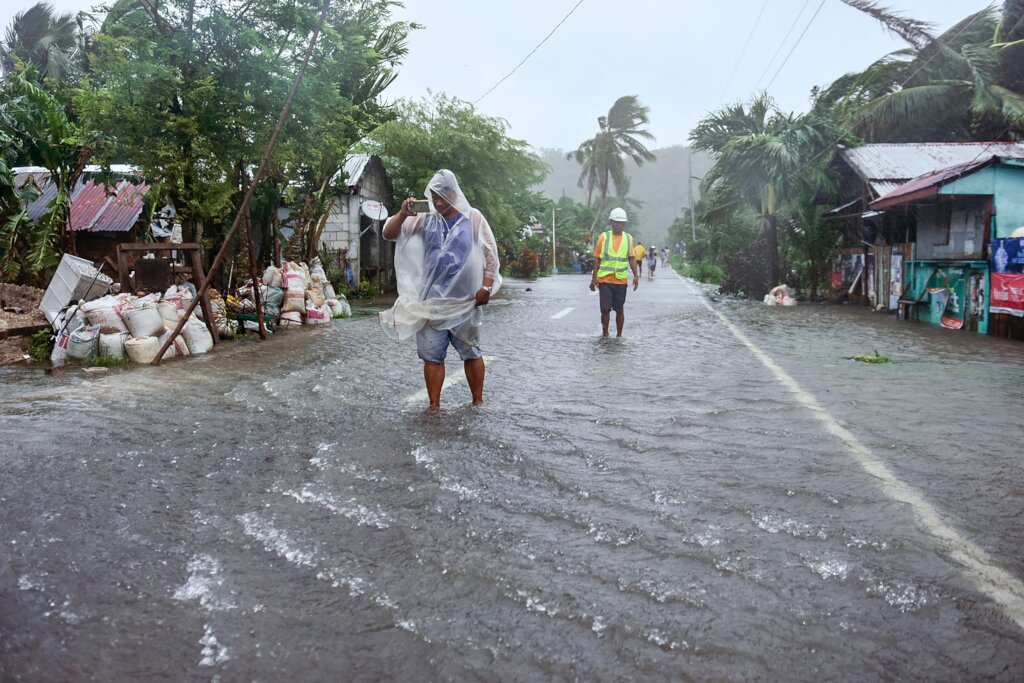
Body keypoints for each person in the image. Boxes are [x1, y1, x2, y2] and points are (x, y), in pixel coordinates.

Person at [380, 169, 501, 411]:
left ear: (454, 194)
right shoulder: (426, 218)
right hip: (431, 303)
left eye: (442, 197)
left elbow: (491, 255)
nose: (437, 202)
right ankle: (434, 405)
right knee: (432, 356)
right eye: (434, 197)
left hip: (465, 302)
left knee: (472, 352)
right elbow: (389, 234)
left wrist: (486, 287)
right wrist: (403, 214)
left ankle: (478, 402)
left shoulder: (474, 218)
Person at [589, 207, 639, 337]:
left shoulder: (629, 239)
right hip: (605, 280)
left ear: (624, 224)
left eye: (621, 223)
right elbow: (597, 259)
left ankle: (619, 335)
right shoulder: (603, 237)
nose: (619, 225)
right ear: (611, 222)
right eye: (616, 222)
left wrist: (636, 275)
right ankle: (605, 333)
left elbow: (632, 258)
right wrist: (594, 279)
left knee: (619, 309)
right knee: (605, 309)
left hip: (621, 280)